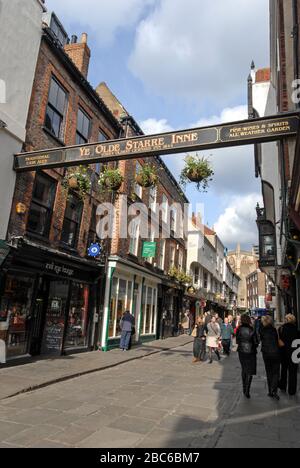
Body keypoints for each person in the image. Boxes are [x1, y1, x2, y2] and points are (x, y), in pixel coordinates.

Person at [236, 315, 258, 399]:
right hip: (251, 351)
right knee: (250, 370)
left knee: (244, 368)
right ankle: (247, 390)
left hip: (241, 350)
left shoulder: (239, 329)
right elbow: (256, 342)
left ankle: (244, 388)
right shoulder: (251, 329)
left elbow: (237, 341)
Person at [259, 315, 281, 401]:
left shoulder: (262, 330)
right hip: (275, 352)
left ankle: (270, 391)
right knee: (276, 372)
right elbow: (276, 340)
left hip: (266, 353)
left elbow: (261, 339)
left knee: (269, 372)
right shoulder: (274, 330)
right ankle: (274, 390)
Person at [278, 314, 299, 396]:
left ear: (286, 320)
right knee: (293, 372)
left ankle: (283, 385)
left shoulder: (281, 329)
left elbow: (279, 341)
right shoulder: (296, 330)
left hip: (284, 352)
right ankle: (292, 390)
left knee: (284, 370)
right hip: (295, 353)